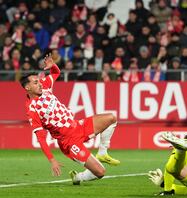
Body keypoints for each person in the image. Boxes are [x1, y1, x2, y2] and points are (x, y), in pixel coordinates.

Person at [20, 54, 120, 185]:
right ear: (27, 88)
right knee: (100, 172)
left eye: (39, 81)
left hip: (77, 126)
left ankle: (102, 152)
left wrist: (53, 65)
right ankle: (78, 177)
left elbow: (56, 72)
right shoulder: (32, 109)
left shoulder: (44, 86)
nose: (40, 83)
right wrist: (52, 160)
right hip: (68, 142)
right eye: (35, 82)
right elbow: (40, 137)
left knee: (111, 118)